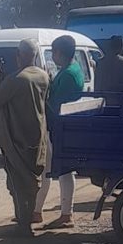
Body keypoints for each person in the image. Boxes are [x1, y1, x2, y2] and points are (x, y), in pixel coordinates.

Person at [0, 39, 49, 236]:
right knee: (31, 181)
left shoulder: (15, 80)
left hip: (15, 139)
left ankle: (24, 224)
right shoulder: (43, 76)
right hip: (36, 137)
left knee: (17, 183)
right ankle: (26, 219)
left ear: (19, 56)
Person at [35, 35, 85, 229]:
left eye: (54, 53)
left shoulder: (67, 75)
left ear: (60, 53)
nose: (53, 57)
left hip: (58, 127)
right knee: (63, 172)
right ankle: (60, 212)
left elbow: (54, 104)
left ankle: (48, 212)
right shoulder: (73, 69)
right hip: (65, 126)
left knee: (48, 170)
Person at [95, 32, 123, 99]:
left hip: (103, 100)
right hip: (119, 100)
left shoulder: (100, 62)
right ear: (121, 47)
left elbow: (97, 83)